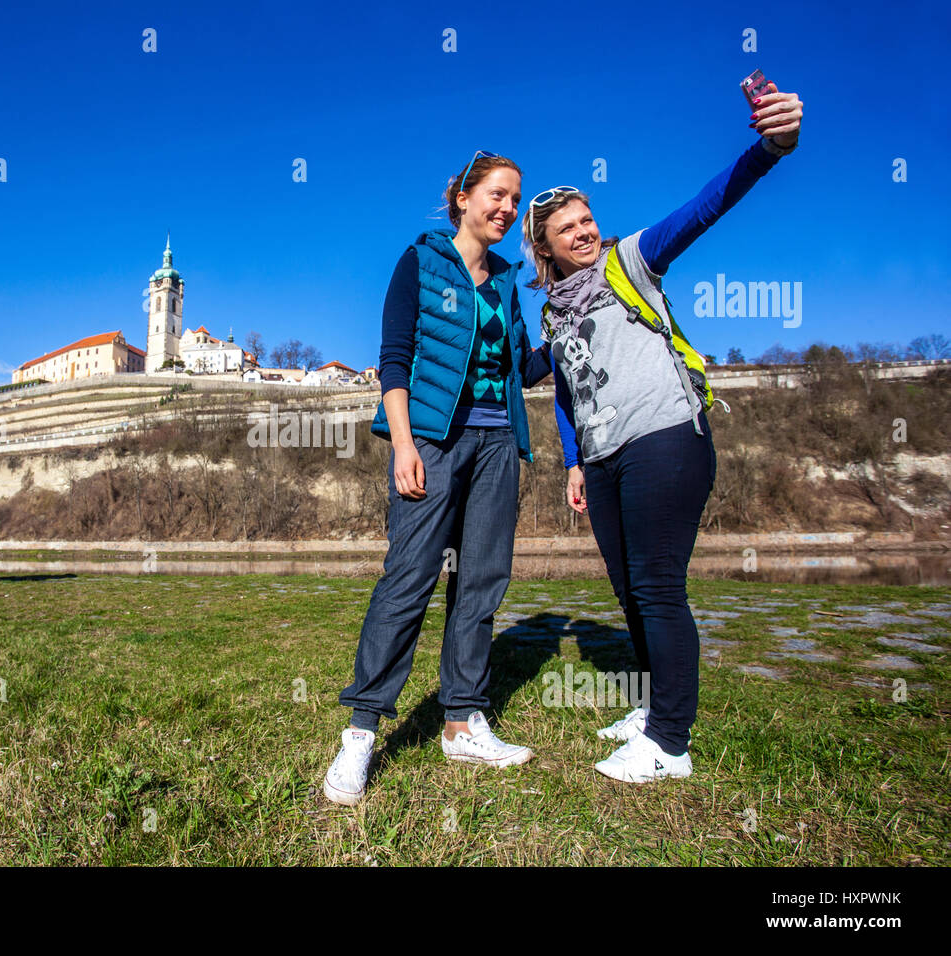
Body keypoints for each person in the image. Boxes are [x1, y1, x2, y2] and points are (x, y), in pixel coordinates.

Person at [524, 81, 803, 782]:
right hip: (606, 456)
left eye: (588, 219)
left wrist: (770, 147)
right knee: (629, 589)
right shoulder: (554, 313)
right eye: (570, 229)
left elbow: (706, 206)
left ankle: (670, 744)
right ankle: (652, 711)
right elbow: (563, 386)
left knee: (656, 587)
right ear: (547, 250)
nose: (586, 231)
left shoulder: (632, 260)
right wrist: (572, 463)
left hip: (667, 437)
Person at [323, 151, 552, 806]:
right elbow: (393, 360)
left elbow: (520, 371)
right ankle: (362, 732)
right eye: (497, 195)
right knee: (409, 577)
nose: (507, 208)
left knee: (481, 581)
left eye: (515, 199)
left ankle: (463, 721)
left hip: (498, 443)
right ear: (463, 198)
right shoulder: (420, 261)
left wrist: (563, 335)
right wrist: (402, 444)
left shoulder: (508, 281)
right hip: (430, 439)